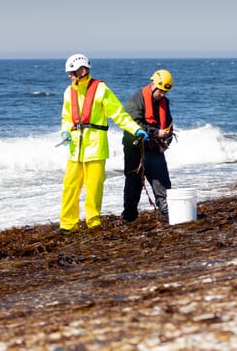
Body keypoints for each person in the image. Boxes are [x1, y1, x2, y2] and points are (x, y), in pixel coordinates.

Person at [58, 54, 148, 233]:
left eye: (72, 72)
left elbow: (118, 114)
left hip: (96, 148)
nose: (69, 76)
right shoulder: (69, 92)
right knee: (70, 186)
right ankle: (68, 225)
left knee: (94, 187)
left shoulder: (101, 89)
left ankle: (93, 222)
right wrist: (65, 131)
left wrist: (134, 129)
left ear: (82, 70)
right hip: (75, 148)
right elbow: (67, 117)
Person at [121, 69, 176, 223]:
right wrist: (155, 132)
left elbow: (169, 124)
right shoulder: (136, 100)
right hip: (135, 149)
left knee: (162, 184)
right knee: (133, 185)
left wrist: (166, 141)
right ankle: (129, 218)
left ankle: (167, 215)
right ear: (153, 84)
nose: (163, 94)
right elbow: (133, 124)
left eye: (166, 91)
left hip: (155, 149)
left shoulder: (165, 102)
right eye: (161, 91)